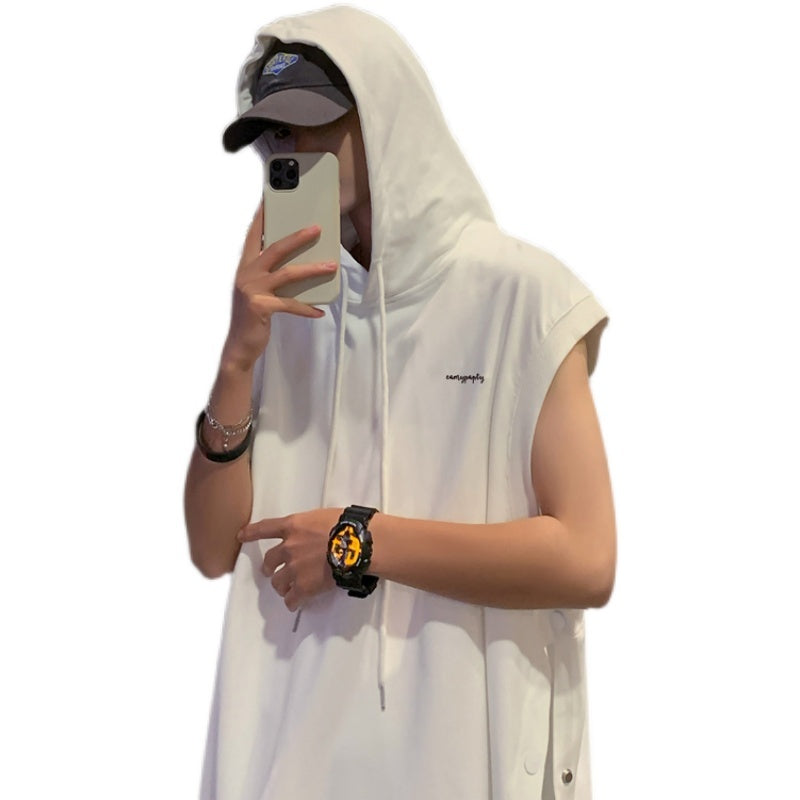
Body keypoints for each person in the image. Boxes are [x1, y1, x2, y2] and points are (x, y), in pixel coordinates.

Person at [184, 6, 616, 799]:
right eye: (272, 135)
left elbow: (587, 558)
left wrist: (357, 542)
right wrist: (238, 355)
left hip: (463, 764)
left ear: (386, 114)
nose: (288, 150)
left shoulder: (524, 298)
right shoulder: (283, 311)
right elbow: (214, 550)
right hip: (287, 759)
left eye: (311, 124)